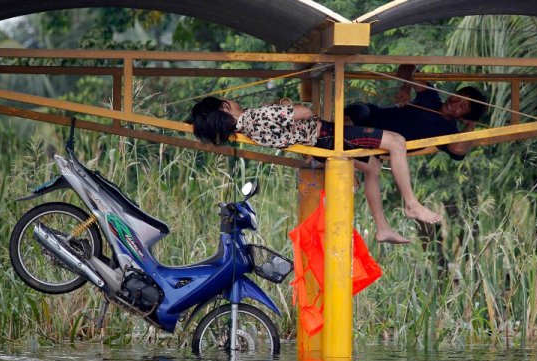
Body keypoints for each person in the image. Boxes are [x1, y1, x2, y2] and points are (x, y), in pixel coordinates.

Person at [188, 96, 443, 237]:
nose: (233, 100)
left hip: (320, 145)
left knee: (374, 167)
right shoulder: (253, 116)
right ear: (224, 108)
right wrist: (287, 107)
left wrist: (281, 109)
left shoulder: (245, 127)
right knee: (397, 142)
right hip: (328, 136)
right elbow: (304, 112)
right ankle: (410, 203)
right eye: (228, 100)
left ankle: (383, 227)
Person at [344, 64, 487, 160]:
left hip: (378, 143)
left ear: (463, 117)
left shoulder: (448, 131)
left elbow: (459, 150)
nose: (454, 103)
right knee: (356, 114)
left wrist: (470, 124)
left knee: (351, 139)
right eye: (457, 96)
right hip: (372, 115)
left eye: (461, 107)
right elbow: (408, 67)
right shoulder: (431, 97)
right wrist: (407, 86)